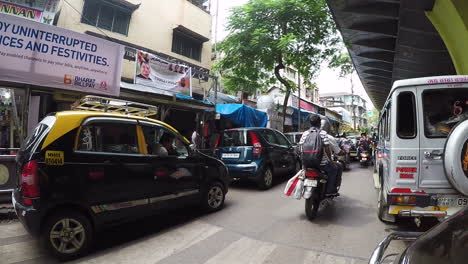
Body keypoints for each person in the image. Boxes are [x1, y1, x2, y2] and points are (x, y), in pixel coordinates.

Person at [299, 115, 342, 195]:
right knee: (334, 169)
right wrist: (331, 161)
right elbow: (327, 149)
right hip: (322, 164)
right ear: (319, 123)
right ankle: (330, 190)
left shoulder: (305, 134)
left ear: (310, 123)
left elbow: (300, 148)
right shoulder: (323, 133)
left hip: (307, 164)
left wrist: (303, 161)